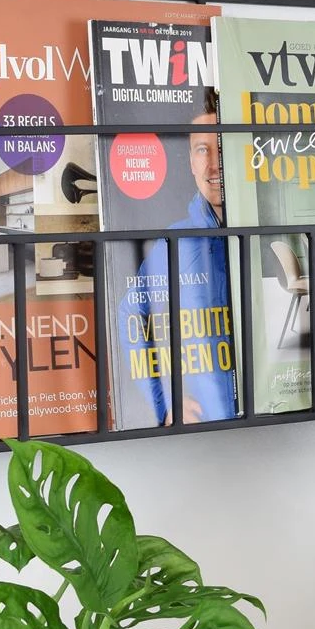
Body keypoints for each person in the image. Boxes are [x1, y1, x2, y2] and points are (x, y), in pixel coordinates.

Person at [118, 90, 236, 426]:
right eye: (202, 149)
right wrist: (166, 399)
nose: (213, 164)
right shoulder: (173, 244)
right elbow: (130, 315)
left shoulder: (267, 227)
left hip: (277, 424)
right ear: (190, 161)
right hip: (209, 430)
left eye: (222, 146)